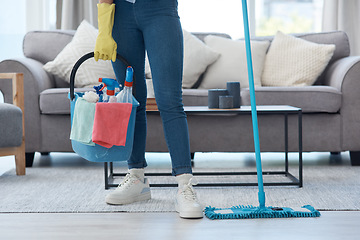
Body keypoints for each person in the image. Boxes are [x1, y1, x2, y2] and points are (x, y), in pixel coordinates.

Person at [94, 0, 203, 219]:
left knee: (169, 100)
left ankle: (185, 184)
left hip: (160, 9)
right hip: (120, 12)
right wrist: (104, 28)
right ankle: (136, 178)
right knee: (130, 101)